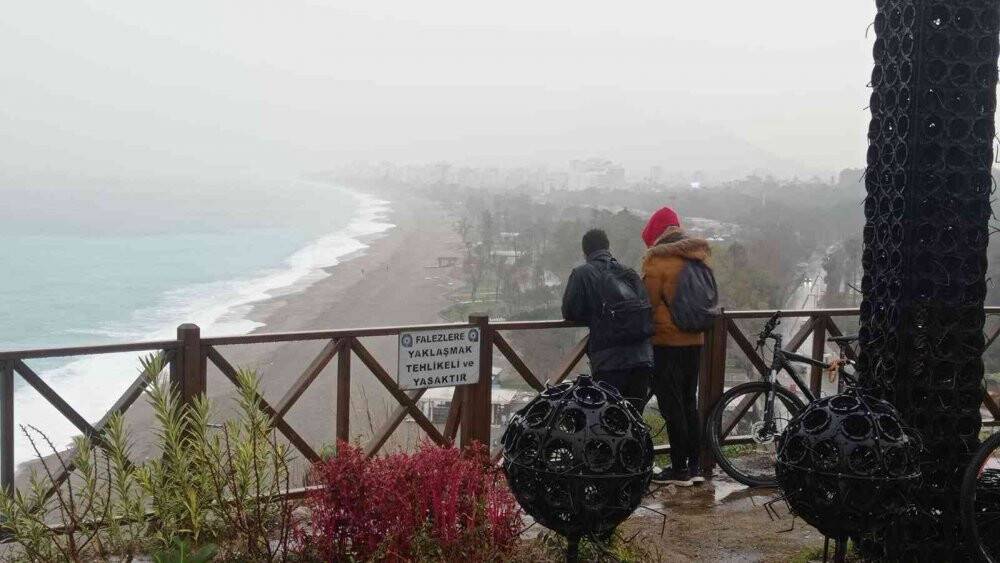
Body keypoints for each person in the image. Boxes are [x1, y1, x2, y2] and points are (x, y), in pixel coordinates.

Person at [641, 207, 713, 486]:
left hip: (667, 343)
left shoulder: (657, 261)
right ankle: (695, 467)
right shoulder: (698, 257)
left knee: (672, 406)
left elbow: (647, 304)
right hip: (695, 339)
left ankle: (679, 469)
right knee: (688, 403)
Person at [562, 229, 653, 411]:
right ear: (607, 247)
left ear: (585, 252)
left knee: (608, 418)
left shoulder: (582, 274)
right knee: (635, 418)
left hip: (609, 362)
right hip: (642, 357)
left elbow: (570, 311)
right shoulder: (629, 273)